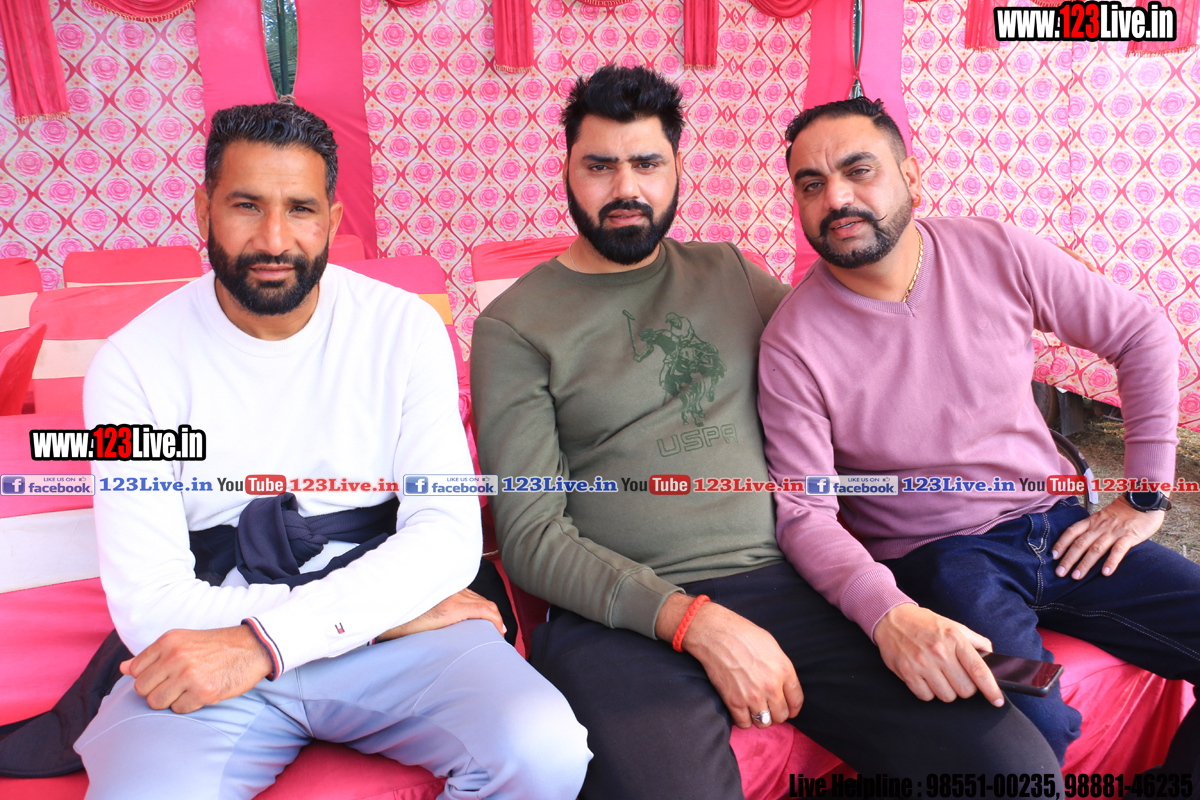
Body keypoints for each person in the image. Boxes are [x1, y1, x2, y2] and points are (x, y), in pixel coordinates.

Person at [470, 65, 1059, 800]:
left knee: (1013, 769)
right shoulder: (514, 326)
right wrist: (695, 623)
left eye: (647, 163)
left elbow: (854, 349)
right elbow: (530, 538)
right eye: (599, 166)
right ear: (566, 170)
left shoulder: (727, 272)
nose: (625, 188)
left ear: (677, 169)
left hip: (784, 583)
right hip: (617, 615)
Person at [74, 102, 589, 800]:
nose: (274, 238)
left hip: (386, 636)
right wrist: (383, 618)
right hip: (221, 638)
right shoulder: (127, 367)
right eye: (246, 206)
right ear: (203, 211)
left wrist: (272, 640)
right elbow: (147, 602)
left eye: (300, 209)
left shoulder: (404, 330)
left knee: (543, 748)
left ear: (333, 220)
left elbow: (446, 535)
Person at [758, 95, 1197, 773]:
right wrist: (886, 611)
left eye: (859, 170)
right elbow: (805, 513)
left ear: (911, 176)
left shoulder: (994, 250)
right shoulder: (794, 343)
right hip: (942, 557)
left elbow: (1141, 334)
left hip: (1062, 527)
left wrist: (1144, 495)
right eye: (810, 184)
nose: (836, 198)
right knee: (1031, 727)